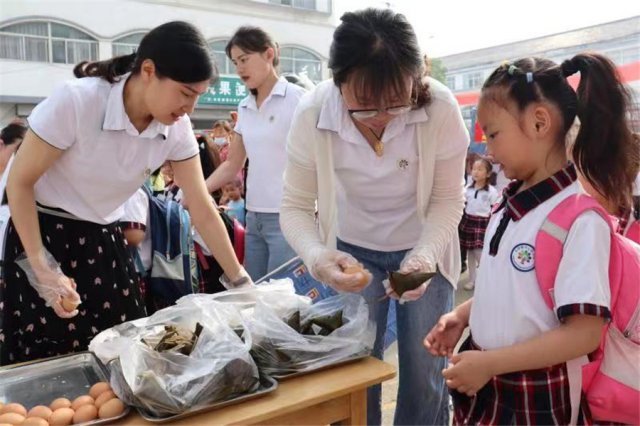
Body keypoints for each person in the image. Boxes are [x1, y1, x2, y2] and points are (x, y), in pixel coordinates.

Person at [2, 21, 251, 365]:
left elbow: (200, 204)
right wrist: (41, 267)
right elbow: (19, 182)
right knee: (47, 355)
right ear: (148, 70)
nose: (189, 108)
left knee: (119, 353)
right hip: (41, 231)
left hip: (105, 237)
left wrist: (239, 279)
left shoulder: (174, 127)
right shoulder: (79, 101)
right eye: (185, 93)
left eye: (198, 97)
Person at [425, 53, 638, 425]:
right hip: (487, 377)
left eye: (493, 134)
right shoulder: (508, 203)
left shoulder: (579, 220)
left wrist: (491, 362)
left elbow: (584, 334)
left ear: (539, 122)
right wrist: (463, 314)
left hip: (535, 395)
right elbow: (513, 289)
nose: (488, 151)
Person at [279, 9, 469, 425]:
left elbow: (447, 199)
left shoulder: (439, 108)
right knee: (355, 369)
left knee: (425, 374)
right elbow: (294, 206)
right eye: (364, 106)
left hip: (425, 248)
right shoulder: (314, 114)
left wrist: (423, 256)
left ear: (417, 77)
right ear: (337, 80)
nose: (382, 117)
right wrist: (317, 257)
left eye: (397, 102)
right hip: (351, 252)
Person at [205, 26, 305, 280]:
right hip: (254, 216)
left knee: (282, 301)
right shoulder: (245, 106)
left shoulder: (298, 99)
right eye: (235, 62)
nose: (239, 69)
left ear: (269, 54)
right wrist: (196, 191)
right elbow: (232, 164)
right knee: (256, 297)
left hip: (288, 217)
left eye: (244, 59)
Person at [458, 157, 499, 290]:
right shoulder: (467, 189)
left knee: (480, 253)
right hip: (468, 222)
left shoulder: (492, 192)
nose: (476, 172)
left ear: (488, 174)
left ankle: (487, 279)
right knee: (470, 253)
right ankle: (472, 280)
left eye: (480, 169)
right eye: (474, 169)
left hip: (482, 224)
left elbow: (494, 210)